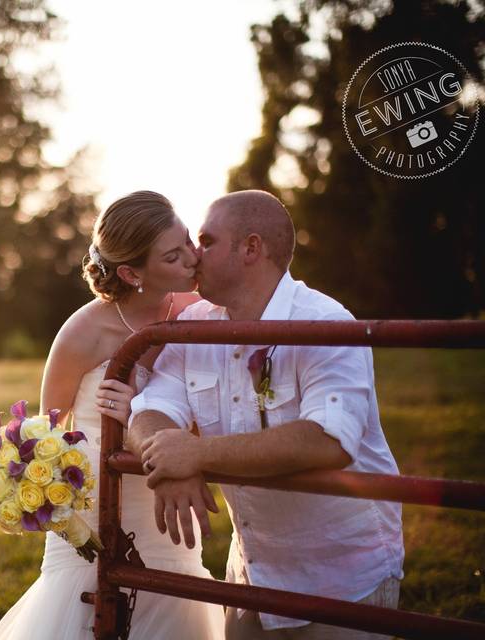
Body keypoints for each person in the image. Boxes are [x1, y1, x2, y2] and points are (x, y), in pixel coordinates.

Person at [128, 190, 404, 640]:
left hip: (344, 579)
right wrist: (168, 459)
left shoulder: (327, 323)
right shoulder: (194, 326)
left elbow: (327, 440)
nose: (195, 255)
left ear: (251, 249)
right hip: (251, 575)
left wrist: (195, 454)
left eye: (207, 241)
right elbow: (150, 408)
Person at [0, 191, 225, 639]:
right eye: (174, 256)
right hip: (100, 506)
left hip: (169, 496)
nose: (193, 259)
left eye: (189, 242)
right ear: (132, 273)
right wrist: (43, 499)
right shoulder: (83, 331)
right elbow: (46, 438)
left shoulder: (201, 315)